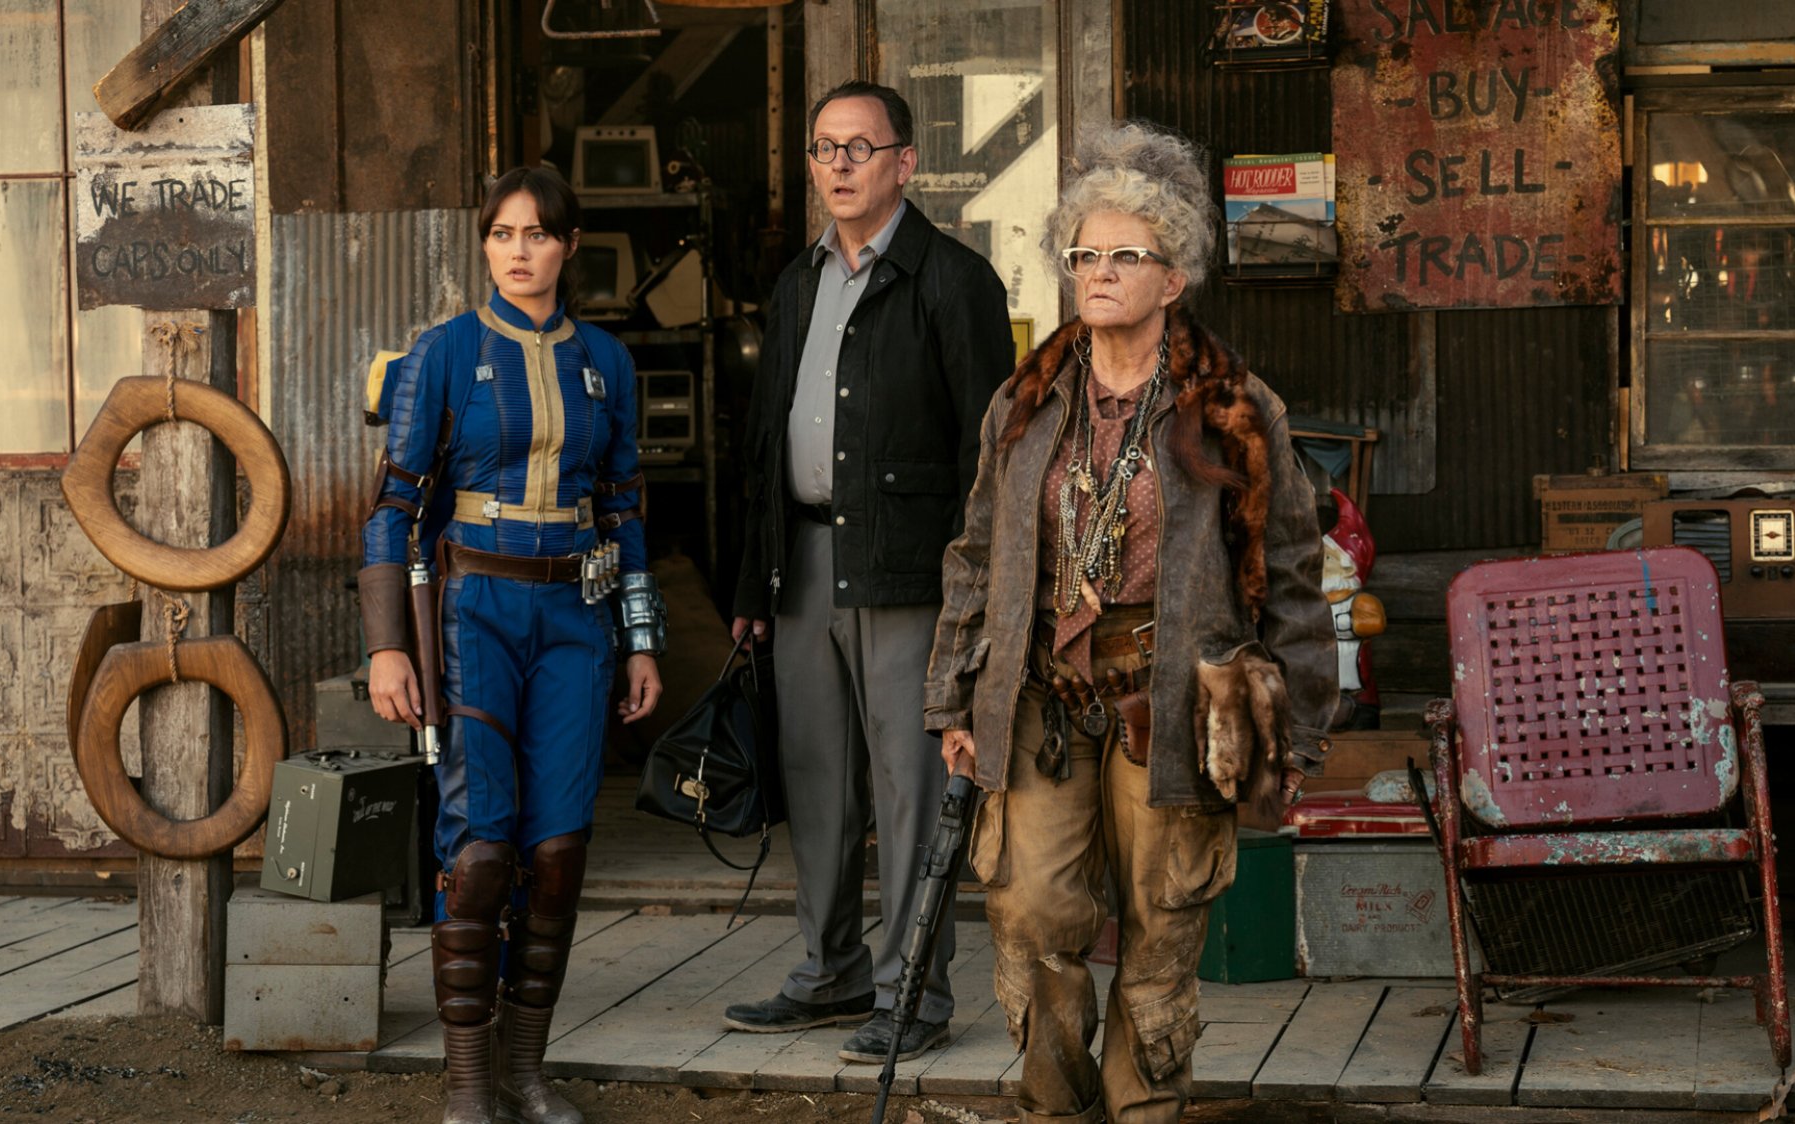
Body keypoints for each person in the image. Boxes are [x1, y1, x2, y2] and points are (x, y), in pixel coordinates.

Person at [923, 122, 1338, 1124]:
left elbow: (1288, 568)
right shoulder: (1021, 403)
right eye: (1082, 254)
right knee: (1030, 914)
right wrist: (952, 694)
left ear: (1175, 275)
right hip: (1042, 702)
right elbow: (975, 553)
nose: (1097, 272)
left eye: (1124, 256)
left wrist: (1297, 727)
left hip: (1172, 701)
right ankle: (1057, 1109)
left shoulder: (1236, 407)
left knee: (1161, 923)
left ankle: (1144, 1108)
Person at [359, 165, 664, 1124]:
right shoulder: (440, 354)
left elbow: (623, 512)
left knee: (561, 846)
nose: (520, 251)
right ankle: (467, 1086)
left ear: (569, 246)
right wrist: (385, 647)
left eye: (538, 234)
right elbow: (392, 510)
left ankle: (528, 1071)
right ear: (484, 245)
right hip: (473, 611)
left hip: (577, 618)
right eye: (503, 234)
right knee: (482, 845)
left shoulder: (607, 362)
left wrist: (642, 641)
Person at [724, 80, 1015, 1063]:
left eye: (859, 147)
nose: (838, 165)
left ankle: (912, 994)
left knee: (907, 790)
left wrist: (979, 602)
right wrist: (749, 588)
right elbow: (764, 440)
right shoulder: (796, 280)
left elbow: (992, 456)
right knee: (816, 782)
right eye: (822, 148)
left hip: (907, 572)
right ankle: (829, 970)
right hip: (803, 560)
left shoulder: (953, 279)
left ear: (905, 162)